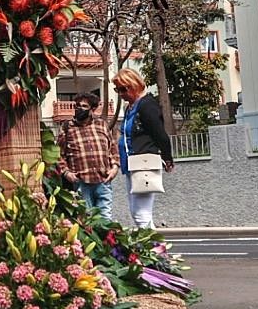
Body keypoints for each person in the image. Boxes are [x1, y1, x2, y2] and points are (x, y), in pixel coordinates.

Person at [112, 69, 173, 229]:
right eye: (117, 90)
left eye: (124, 89)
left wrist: (167, 158)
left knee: (141, 213)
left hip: (143, 163)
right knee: (137, 212)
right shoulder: (130, 108)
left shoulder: (146, 106)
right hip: (131, 164)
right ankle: (154, 249)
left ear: (135, 85)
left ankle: (155, 249)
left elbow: (160, 134)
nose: (121, 94)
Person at [57, 90, 119, 219]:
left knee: (106, 219)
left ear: (93, 109)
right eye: (77, 106)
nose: (79, 109)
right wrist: (67, 173)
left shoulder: (102, 125)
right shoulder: (67, 127)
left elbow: (112, 148)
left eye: (84, 106)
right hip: (81, 182)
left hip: (103, 180)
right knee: (86, 220)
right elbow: (59, 154)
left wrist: (114, 168)